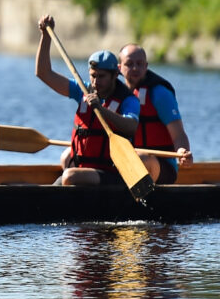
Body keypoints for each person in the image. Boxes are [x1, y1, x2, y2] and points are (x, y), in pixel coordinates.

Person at [34, 15, 140, 187]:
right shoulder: (82, 90)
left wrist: (101, 110)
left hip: (113, 175)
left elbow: (131, 127)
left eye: (102, 77)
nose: (96, 82)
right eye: (93, 76)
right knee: (62, 174)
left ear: (115, 75)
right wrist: (45, 37)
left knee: (69, 177)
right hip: (85, 170)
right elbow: (44, 73)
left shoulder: (128, 100)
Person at [119, 43, 193, 184]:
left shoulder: (159, 94)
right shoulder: (114, 94)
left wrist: (183, 152)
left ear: (146, 66)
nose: (135, 68)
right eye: (129, 64)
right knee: (69, 156)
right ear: (119, 68)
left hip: (161, 166)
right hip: (127, 161)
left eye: (140, 64)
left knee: (140, 158)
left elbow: (178, 134)